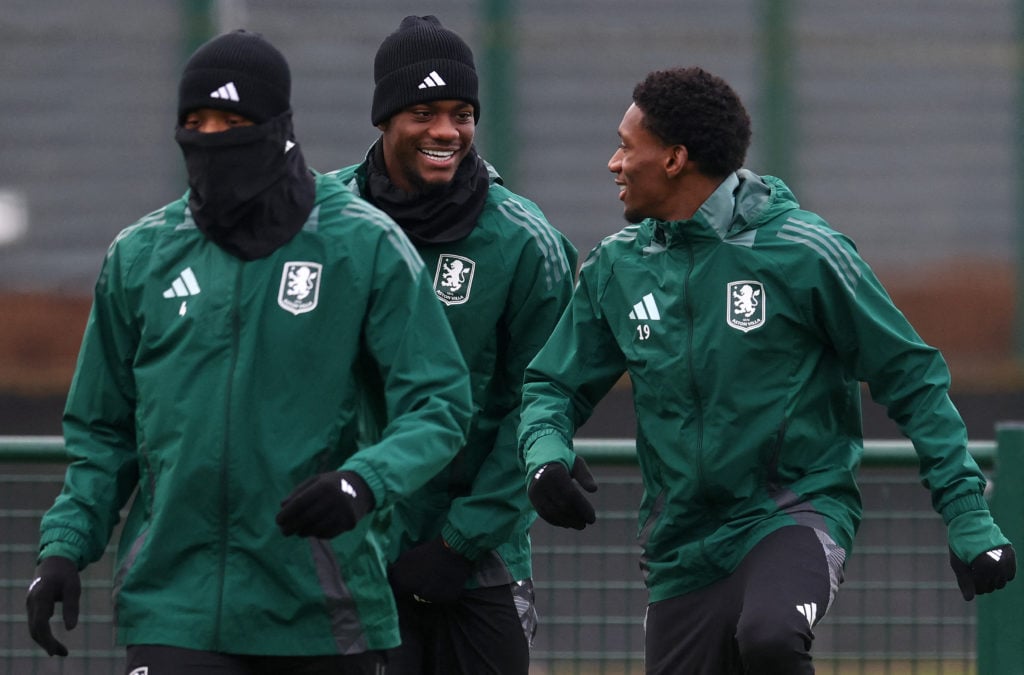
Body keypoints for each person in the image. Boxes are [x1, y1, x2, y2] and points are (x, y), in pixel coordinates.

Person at [518, 66, 1016, 674]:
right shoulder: (616, 268)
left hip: (791, 512)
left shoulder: (805, 252)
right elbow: (553, 384)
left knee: (772, 636)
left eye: (627, 146)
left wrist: (967, 513)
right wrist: (544, 452)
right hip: (680, 548)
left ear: (674, 159)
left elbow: (911, 375)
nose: (613, 163)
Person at [25, 29, 473, 675]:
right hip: (173, 606)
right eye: (195, 122)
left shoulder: (361, 244)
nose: (212, 137)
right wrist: (63, 549)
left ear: (278, 127)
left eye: (232, 121)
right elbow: (102, 432)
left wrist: (362, 481)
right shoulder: (140, 256)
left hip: (319, 604)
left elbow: (438, 402)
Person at [329, 15, 577, 674]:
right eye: (423, 111)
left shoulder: (526, 244)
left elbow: (543, 400)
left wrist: (459, 541)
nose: (446, 131)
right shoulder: (320, 221)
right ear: (383, 117)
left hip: (478, 559)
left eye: (462, 112)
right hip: (346, 549)